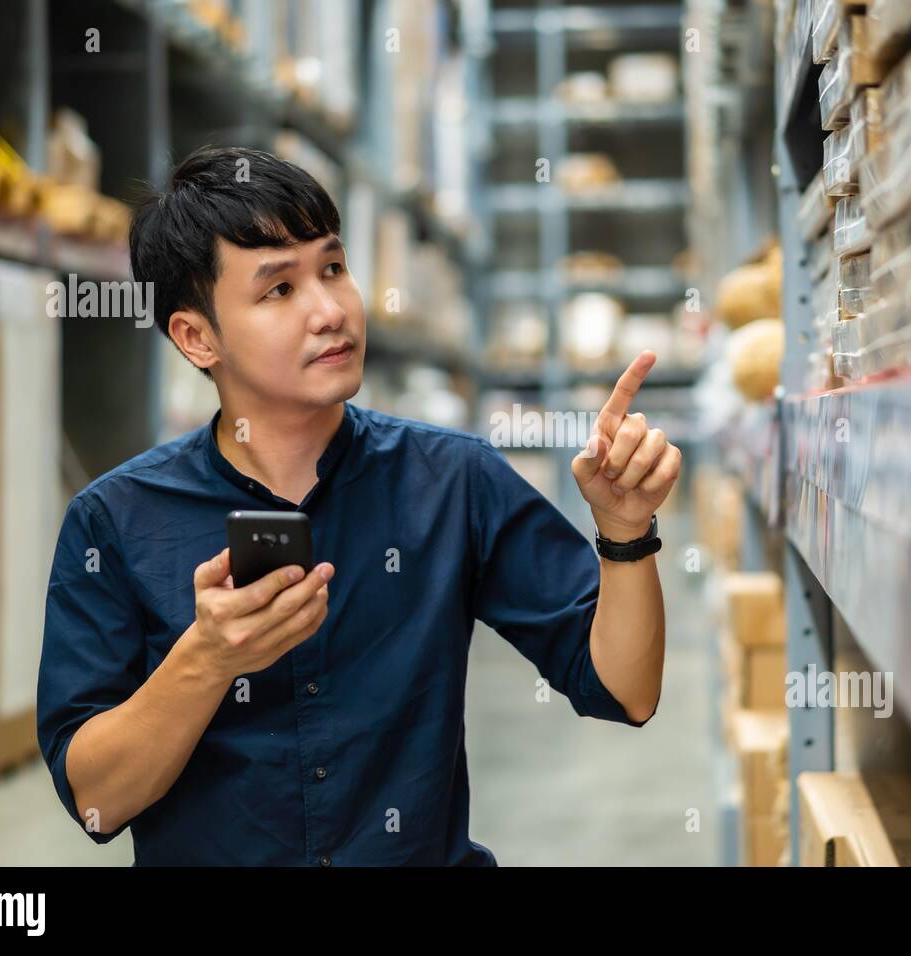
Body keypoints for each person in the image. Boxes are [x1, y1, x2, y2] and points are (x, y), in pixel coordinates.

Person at [36, 145, 678, 865]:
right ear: (196, 336)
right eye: (280, 289)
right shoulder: (117, 522)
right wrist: (207, 660)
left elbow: (625, 690)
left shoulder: (450, 481)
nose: (330, 310)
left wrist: (625, 535)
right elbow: (96, 799)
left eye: (333, 268)